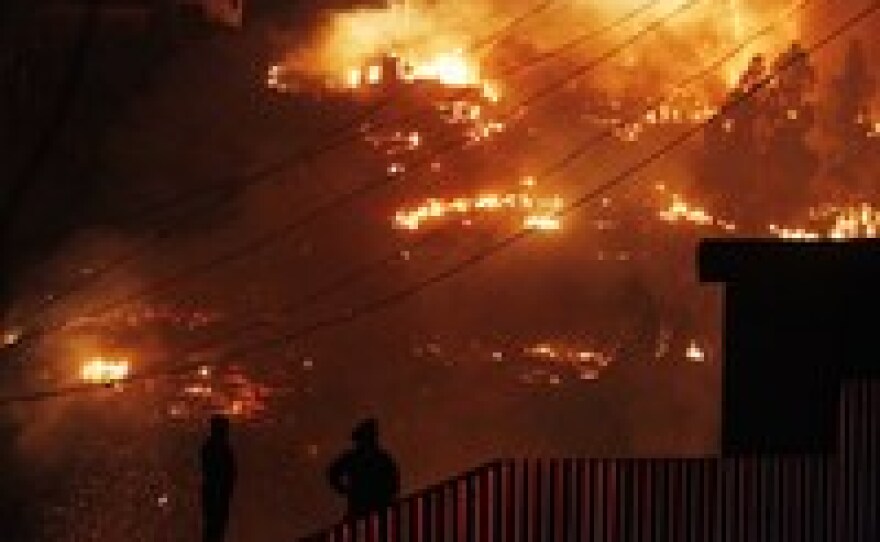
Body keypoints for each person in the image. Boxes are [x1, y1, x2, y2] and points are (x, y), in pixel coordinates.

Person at [326, 418, 400, 519]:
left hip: (367, 508)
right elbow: (394, 484)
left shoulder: (355, 458)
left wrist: (344, 489)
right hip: (368, 508)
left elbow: (393, 483)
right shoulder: (381, 458)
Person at [201, 414, 236, 542]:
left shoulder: (209, 447)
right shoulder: (219, 449)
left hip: (214, 493)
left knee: (214, 527)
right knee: (215, 527)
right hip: (217, 493)